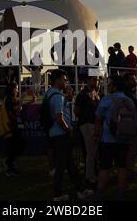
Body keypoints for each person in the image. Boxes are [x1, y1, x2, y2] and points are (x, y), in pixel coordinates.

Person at [45, 69, 92, 201]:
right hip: (61, 134)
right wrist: (69, 130)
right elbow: (59, 118)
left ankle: (81, 189)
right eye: (64, 79)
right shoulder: (58, 97)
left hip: (55, 134)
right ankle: (58, 194)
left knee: (69, 164)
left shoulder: (50, 94)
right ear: (58, 80)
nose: (66, 82)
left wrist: (67, 98)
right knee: (61, 166)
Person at [94, 75, 136, 200]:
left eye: (110, 84)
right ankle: (121, 191)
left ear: (115, 86)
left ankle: (100, 192)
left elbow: (98, 118)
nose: (108, 86)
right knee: (122, 166)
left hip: (108, 139)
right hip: (124, 139)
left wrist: (96, 134)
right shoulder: (128, 100)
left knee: (105, 167)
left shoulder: (107, 100)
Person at [74, 76, 100, 188]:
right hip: (87, 124)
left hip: (93, 124)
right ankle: (90, 177)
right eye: (94, 79)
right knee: (90, 152)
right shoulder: (83, 94)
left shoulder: (95, 92)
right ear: (88, 80)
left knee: (93, 151)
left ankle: (92, 174)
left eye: (97, 79)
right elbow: (76, 111)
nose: (96, 81)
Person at [4, 82, 28, 176]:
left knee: (17, 145)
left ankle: (10, 164)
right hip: (11, 125)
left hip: (15, 125)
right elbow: (17, 108)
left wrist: (28, 101)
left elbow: (19, 107)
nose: (17, 90)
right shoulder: (9, 99)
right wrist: (22, 98)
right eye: (16, 88)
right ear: (12, 89)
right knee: (15, 145)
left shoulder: (12, 98)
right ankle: (9, 165)